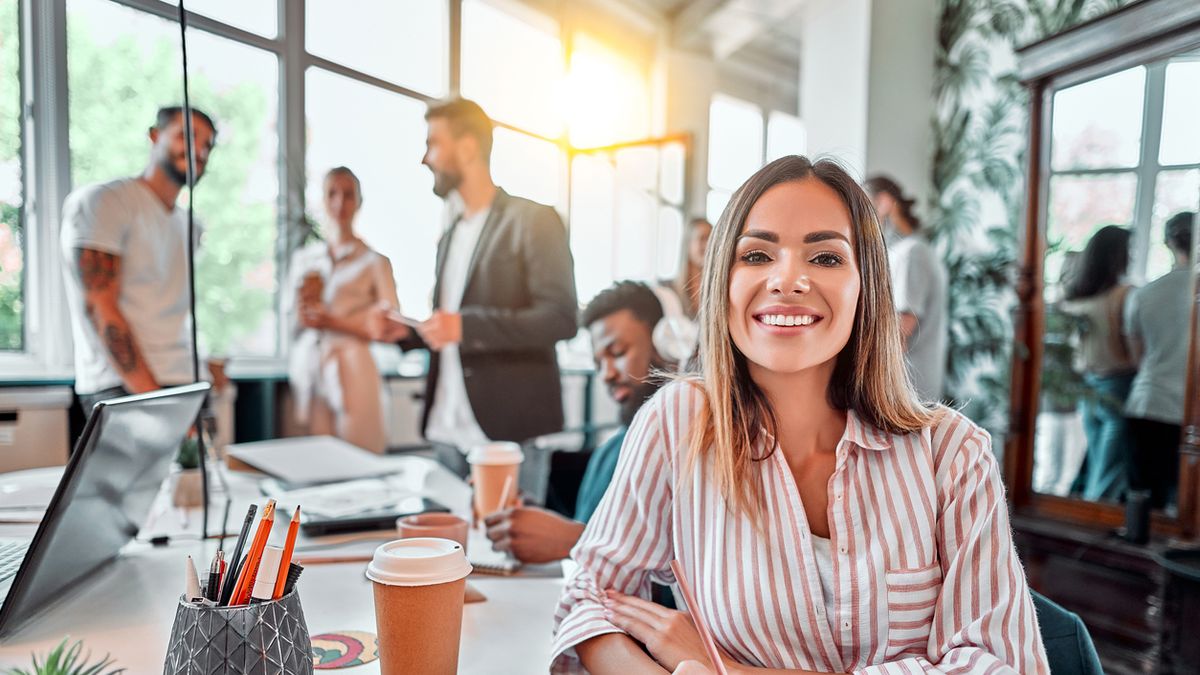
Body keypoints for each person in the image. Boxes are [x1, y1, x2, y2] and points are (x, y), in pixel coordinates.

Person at [551, 156, 1048, 674]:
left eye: (826, 259)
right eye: (758, 255)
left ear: (866, 286)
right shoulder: (679, 420)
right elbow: (589, 601)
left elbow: (999, 665)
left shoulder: (953, 454)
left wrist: (733, 674)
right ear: (724, 281)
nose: (787, 280)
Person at [377, 98, 577, 473]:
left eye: (433, 144)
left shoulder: (533, 220)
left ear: (468, 147)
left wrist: (466, 326)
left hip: (508, 431)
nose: (426, 158)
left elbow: (561, 318)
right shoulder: (450, 236)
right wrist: (407, 334)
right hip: (445, 429)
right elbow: (450, 327)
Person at [483, 281, 670, 563]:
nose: (606, 374)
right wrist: (534, 524)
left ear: (665, 343)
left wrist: (574, 541)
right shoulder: (611, 450)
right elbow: (587, 527)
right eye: (598, 363)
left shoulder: (688, 451)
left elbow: (685, 576)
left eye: (617, 353)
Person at [60, 106, 218, 414]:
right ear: (155, 136)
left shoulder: (191, 226)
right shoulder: (106, 202)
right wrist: (155, 398)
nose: (198, 150)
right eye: (186, 136)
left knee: (205, 465)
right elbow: (99, 305)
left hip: (187, 381)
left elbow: (166, 308)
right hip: (124, 387)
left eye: (207, 145)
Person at [286, 167, 399, 454]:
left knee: (360, 457)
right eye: (332, 194)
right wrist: (304, 315)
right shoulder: (305, 260)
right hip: (313, 368)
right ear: (322, 200)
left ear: (359, 202)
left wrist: (333, 322)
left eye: (348, 195)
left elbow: (392, 327)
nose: (340, 203)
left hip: (354, 367)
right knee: (315, 460)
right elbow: (290, 322)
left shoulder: (375, 262)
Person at [1124, 211, 1194, 509]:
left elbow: (1136, 357)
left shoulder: (1145, 294)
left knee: (1143, 503)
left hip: (1149, 402)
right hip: (1188, 410)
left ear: (1168, 242)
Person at [1060, 225, 1136, 502]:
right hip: (1117, 385)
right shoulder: (1124, 294)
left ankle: (1089, 519)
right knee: (1108, 469)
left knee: (1098, 462)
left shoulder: (1076, 297)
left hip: (1088, 386)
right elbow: (1131, 347)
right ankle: (1094, 527)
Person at [865, 175, 947, 402]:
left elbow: (901, 329)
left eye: (864, 207)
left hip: (909, 389)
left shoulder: (912, 253)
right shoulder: (903, 252)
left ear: (883, 203)